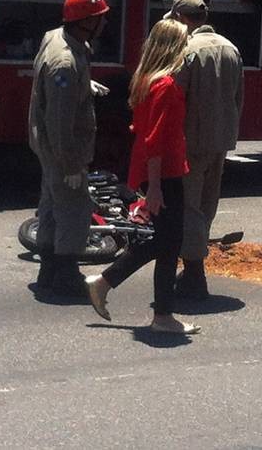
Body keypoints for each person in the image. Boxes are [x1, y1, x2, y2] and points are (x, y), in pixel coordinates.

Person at [84, 19, 200, 334]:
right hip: (165, 174)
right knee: (168, 243)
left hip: (159, 173)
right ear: (174, 47)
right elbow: (156, 141)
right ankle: (159, 315)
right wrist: (156, 188)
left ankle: (111, 286)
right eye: (185, 42)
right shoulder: (166, 87)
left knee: (165, 242)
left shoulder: (148, 80)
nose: (188, 48)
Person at [28, 0, 110, 297]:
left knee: (50, 208)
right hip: (62, 150)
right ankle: (65, 274)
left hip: (49, 147)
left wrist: (82, 84)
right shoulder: (65, 63)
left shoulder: (57, 38)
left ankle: (48, 270)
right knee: (75, 210)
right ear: (86, 22)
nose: (105, 23)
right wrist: (70, 163)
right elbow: (59, 120)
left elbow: (54, 91)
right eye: (100, 18)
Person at [164, 0, 244, 300]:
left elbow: (174, 98)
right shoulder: (231, 48)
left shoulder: (186, 50)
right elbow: (239, 98)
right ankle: (193, 266)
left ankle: (195, 274)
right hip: (221, 140)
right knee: (208, 204)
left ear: (182, 18)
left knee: (189, 207)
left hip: (191, 142)